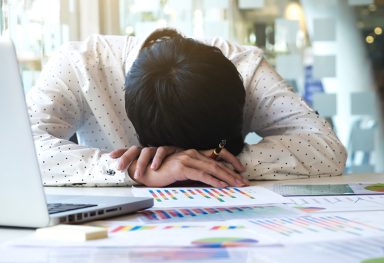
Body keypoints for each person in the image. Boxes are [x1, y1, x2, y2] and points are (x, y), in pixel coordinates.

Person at [27, 28, 347, 188]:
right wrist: (136, 173)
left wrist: (216, 165)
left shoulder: (245, 69)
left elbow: (327, 149)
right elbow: (11, 151)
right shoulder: (80, 65)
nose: (185, 165)